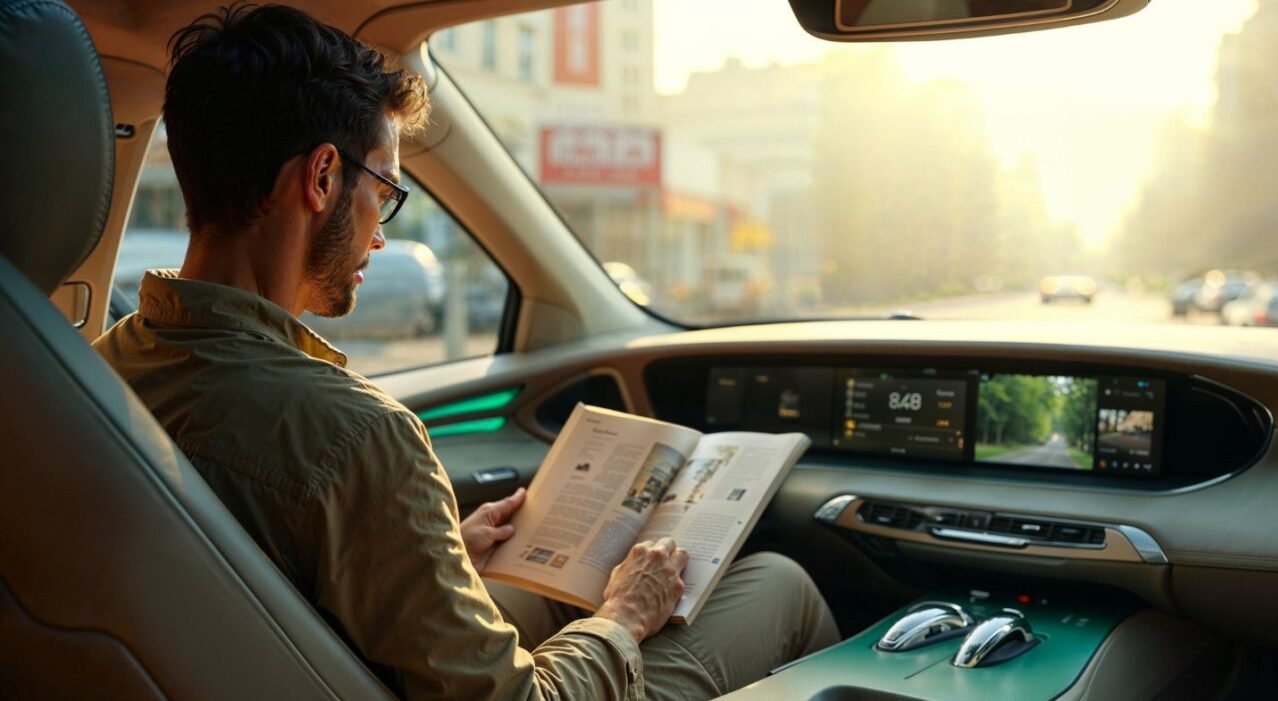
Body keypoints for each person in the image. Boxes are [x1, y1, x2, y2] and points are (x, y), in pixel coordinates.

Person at [94, 4, 838, 700]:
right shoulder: (357, 435)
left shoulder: (97, 371)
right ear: (322, 178)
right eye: (382, 190)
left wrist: (437, 550)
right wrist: (622, 616)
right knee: (779, 583)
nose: (380, 233)